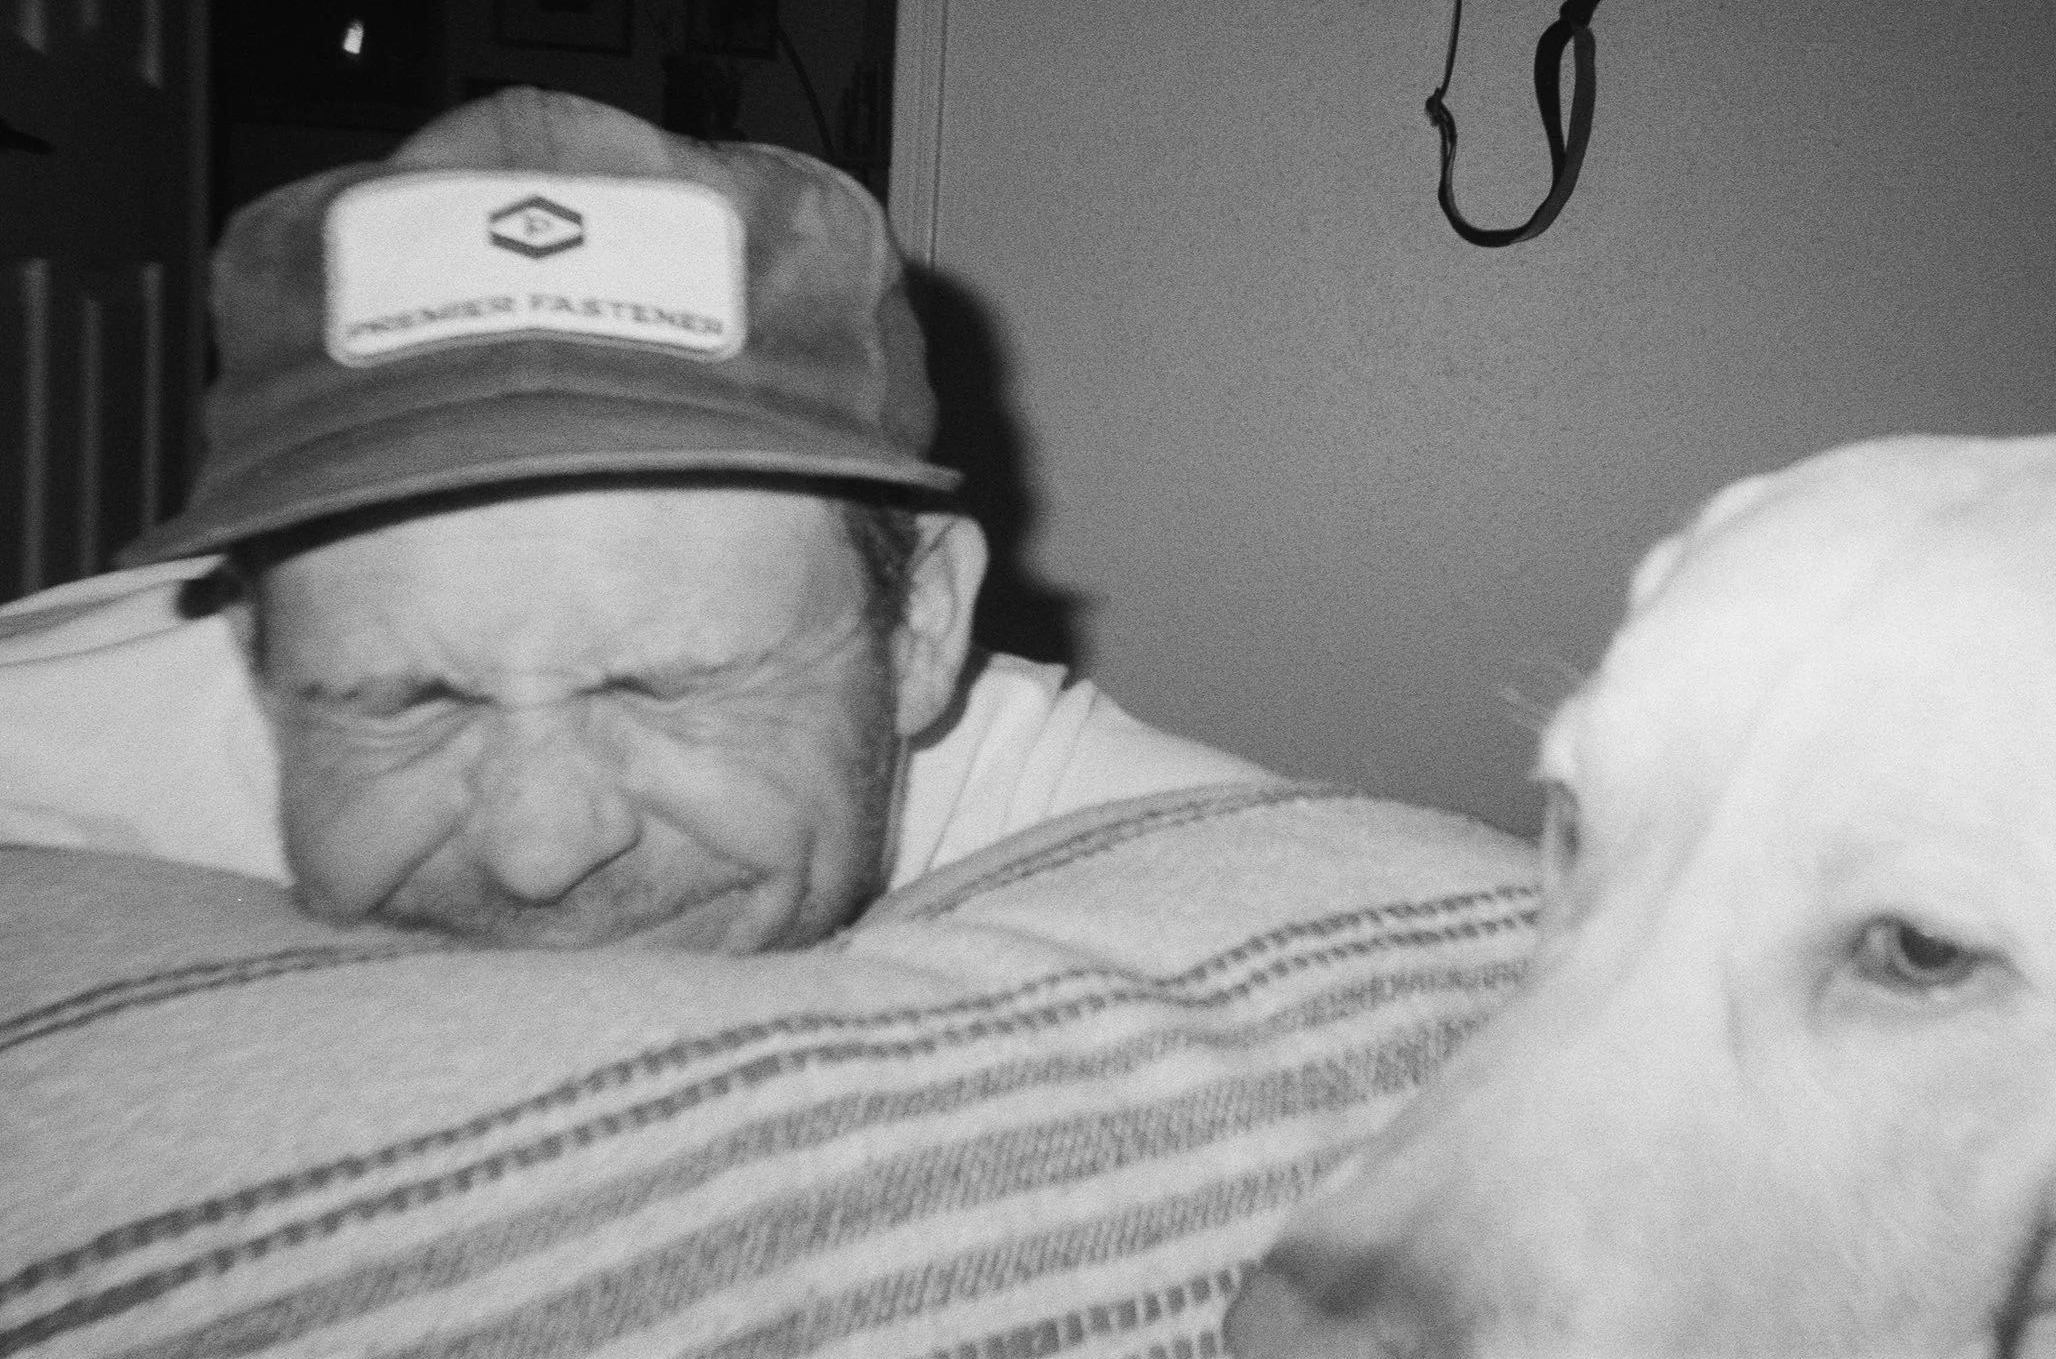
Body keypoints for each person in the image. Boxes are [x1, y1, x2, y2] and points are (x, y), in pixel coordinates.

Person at [0, 89, 1272, 951]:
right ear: (249, 649)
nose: (540, 852)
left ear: (920, 625)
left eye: (672, 686)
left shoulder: (1109, 835)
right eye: (402, 701)